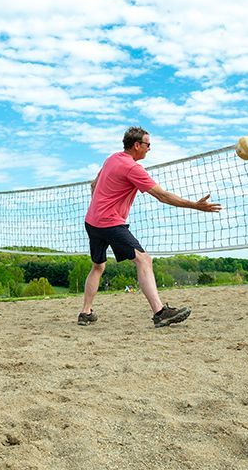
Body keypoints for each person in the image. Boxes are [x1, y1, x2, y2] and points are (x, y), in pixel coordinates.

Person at [78, 127, 222, 327]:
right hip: (110, 223)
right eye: (147, 144)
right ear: (136, 145)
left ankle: (85, 313)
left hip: (91, 221)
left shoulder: (112, 158)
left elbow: (93, 185)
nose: (149, 149)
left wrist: (100, 205)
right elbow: (162, 196)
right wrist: (196, 206)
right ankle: (160, 312)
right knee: (144, 260)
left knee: (98, 266)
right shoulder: (133, 168)